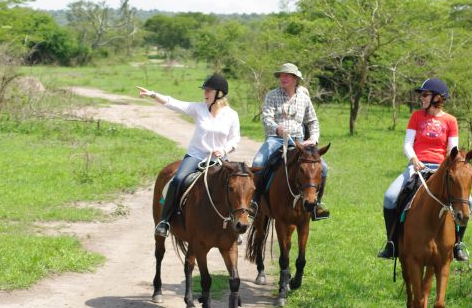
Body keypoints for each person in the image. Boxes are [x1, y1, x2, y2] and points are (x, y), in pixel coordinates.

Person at [377, 77, 472, 261]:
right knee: (390, 197)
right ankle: (392, 244)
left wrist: (445, 168)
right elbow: (407, 143)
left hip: (441, 169)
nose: (422, 98)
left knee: (470, 203)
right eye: (422, 95)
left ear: (437, 97)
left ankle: (458, 244)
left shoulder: (450, 120)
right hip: (417, 166)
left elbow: (452, 151)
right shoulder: (416, 116)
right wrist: (413, 159)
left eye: (425, 94)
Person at [137, 74, 240, 237]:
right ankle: (164, 221)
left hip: (219, 158)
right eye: (204, 90)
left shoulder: (231, 115)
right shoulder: (198, 108)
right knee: (178, 179)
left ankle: (234, 226)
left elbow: (235, 139)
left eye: (208, 90)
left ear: (219, 93)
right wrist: (153, 94)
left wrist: (224, 150)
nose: (205, 93)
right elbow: (174, 103)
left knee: (236, 186)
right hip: (196, 155)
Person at [251, 63, 329, 220]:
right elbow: (266, 118)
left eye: (287, 75)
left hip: (299, 142)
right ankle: (254, 202)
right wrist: (277, 129)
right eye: (282, 75)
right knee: (258, 161)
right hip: (276, 139)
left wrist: (313, 138)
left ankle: (316, 205)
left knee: (324, 168)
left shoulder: (304, 98)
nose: (283, 78)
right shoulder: (272, 95)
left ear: (295, 79)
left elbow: (312, 121)